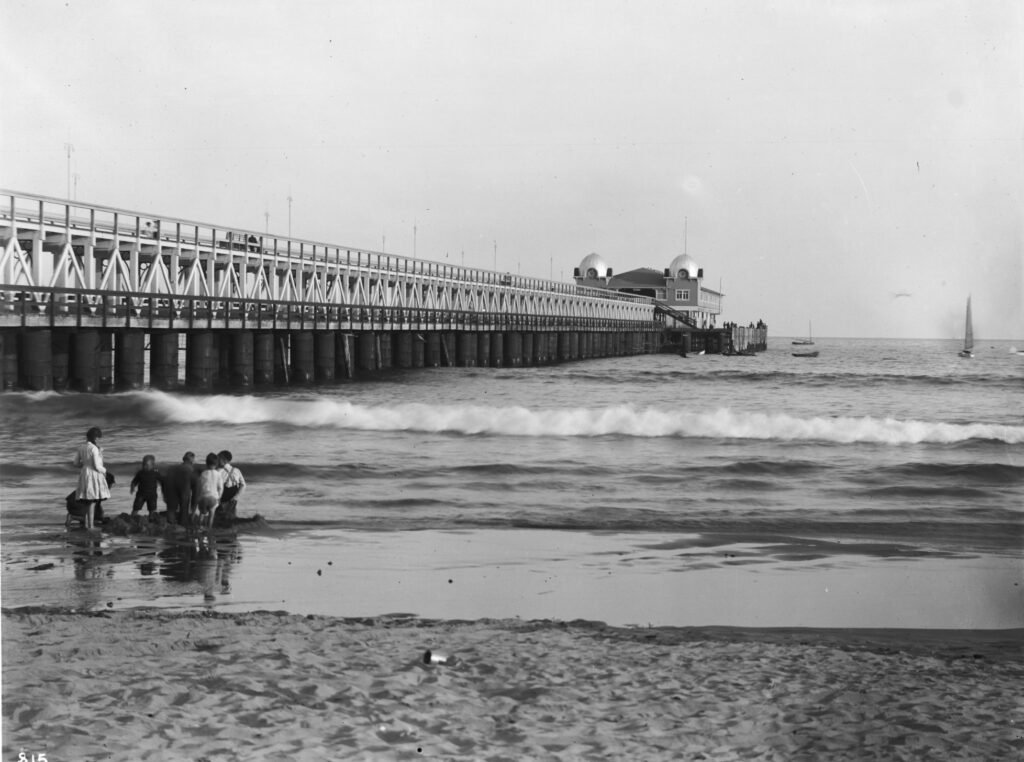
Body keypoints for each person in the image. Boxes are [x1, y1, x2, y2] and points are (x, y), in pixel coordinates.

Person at [73, 426, 110, 530]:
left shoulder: (81, 447)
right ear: (95, 438)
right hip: (93, 475)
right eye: (98, 438)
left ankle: (86, 524)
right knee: (92, 501)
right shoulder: (94, 448)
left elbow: (75, 463)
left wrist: (85, 465)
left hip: (84, 473)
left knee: (86, 500)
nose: (99, 440)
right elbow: (97, 466)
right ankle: (91, 526)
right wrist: (105, 471)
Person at [193, 452, 226, 531]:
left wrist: (197, 498)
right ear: (217, 464)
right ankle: (209, 530)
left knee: (201, 514)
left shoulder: (203, 474)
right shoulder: (218, 474)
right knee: (211, 515)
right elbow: (221, 488)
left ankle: (199, 529)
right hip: (213, 498)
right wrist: (219, 497)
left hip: (203, 497)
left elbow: (199, 487)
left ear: (206, 463)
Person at [162, 452, 197, 525]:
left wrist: (164, 494)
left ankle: (170, 524)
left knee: (171, 508)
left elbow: (164, 481)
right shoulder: (190, 470)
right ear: (192, 461)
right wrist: (193, 507)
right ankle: (183, 523)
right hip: (184, 486)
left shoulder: (172, 468)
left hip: (170, 483)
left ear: (183, 459)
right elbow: (195, 490)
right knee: (184, 507)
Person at [216, 449, 246, 526]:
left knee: (219, 518)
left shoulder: (218, 471)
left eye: (217, 458)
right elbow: (243, 485)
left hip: (221, 499)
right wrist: (236, 497)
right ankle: (231, 533)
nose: (216, 460)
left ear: (223, 460)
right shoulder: (236, 470)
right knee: (231, 517)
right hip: (233, 498)